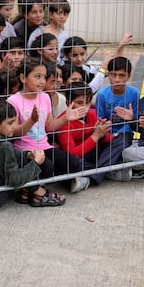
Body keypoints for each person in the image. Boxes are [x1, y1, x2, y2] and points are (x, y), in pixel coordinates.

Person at [7, 58, 86, 195]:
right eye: (37, 77)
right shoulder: (13, 101)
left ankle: (32, 185)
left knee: (73, 164)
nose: (42, 81)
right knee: (47, 167)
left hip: (44, 147)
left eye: (44, 77)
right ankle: (28, 187)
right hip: (25, 150)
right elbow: (14, 133)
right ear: (23, 78)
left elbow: (49, 126)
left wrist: (65, 117)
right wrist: (31, 120)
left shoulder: (44, 97)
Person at [0, 99, 53, 211]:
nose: (15, 126)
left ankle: (28, 191)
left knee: (22, 159)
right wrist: (36, 163)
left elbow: (8, 153)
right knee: (30, 165)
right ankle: (39, 193)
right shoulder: (2, 145)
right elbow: (14, 180)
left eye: (15, 121)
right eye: (10, 123)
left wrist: (26, 154)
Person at [90, 56, 140, 182]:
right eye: (113, 75)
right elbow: (99, 120)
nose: (117, 79)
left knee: (121, 141)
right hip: (106, 133)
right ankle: (107, 170)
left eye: (122, 75)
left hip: (124, 134)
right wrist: (108, 134)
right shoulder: (102, 94)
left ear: (128, 76)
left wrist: (122, 129)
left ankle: (95, 176)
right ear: (109, 75)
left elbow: (134, 121)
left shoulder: (134, 94)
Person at [56, 82, 112, 166]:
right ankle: (102, 170)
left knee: (120, 141)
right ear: (68, 103)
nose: (85, 107)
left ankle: (99, 170)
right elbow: (71, 153)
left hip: (93, 150)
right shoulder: (63, 122)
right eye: (79, 103)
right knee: (75, 163)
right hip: (78, 157)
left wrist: (103, 132)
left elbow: (109, 139)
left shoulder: (92, 114)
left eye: (88, 102)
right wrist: (95, 136)